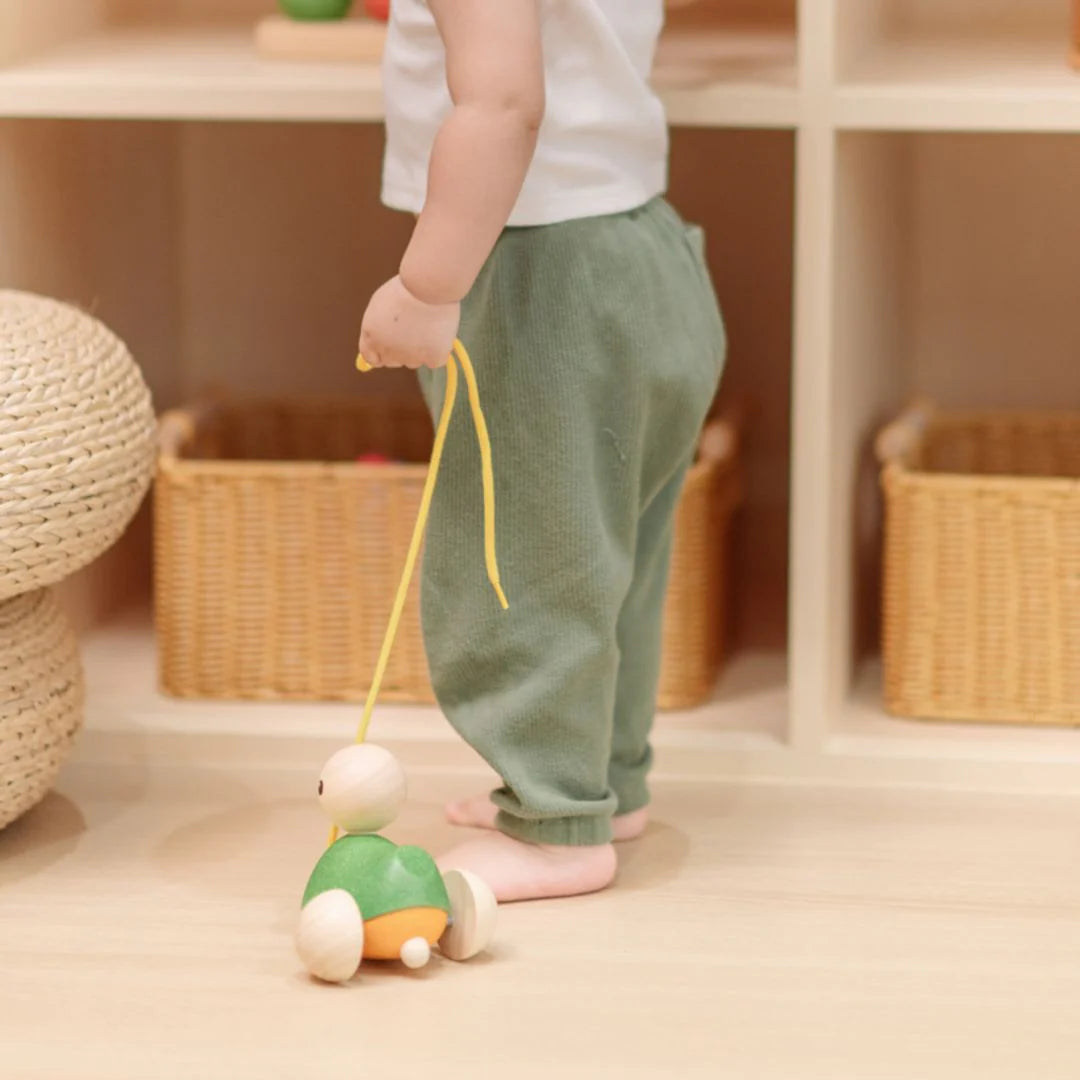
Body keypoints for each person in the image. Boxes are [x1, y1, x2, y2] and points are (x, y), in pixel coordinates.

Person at [358, 0, 726, 903]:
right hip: (640, 250)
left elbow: (501, 104)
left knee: (521, 568)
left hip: (538, 269)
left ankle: (557, 822)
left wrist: (428, 284)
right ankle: (603, 784)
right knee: (610, 564)